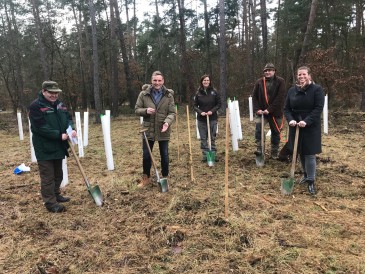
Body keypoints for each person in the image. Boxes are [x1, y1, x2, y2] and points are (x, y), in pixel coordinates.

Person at [29, 81, 77, 213]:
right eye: (51, 93)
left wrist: (71, 129)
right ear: (44, 91)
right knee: (47, 176)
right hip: (44, 146)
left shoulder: (60, 105)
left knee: (58, 173)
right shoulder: (35, 106)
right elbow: (40, 127)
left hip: (59, 145)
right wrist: (58, 135)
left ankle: (56, 194)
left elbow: (68, 118)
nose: (54, 95)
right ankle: (50, 202)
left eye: (56, 93)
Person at [284, 66, 324, 195]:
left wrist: (307, 121)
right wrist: (290, 119)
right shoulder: (292, 90)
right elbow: (287, 108)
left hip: (310, 125)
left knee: (310, 153)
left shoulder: (317, 90)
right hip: (295, 125)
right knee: (300, 151)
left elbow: (318, 108)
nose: (301, 77)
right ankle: (306, 175)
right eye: (299, 75)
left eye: (304, 74)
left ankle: (311, 180)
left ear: (309, 75)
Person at [135, 71, 176, 187]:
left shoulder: (169, 96)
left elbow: (172, 113)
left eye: (159, 80)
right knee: (146, 155)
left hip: (163, 128)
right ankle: (146, 178)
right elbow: (137, 109)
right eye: (155, 80)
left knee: (165, 154)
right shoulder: (143, 94)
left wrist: (167, 123)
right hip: (148, 129)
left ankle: (165, 177)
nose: (157, 83)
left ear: (163, 81)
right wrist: (145, 111)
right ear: (151, 81)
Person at [252, 63, 286, 159]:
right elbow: (254, 97)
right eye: (265, 71)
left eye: (269, 70)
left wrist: (269, 109)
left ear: (274, 71)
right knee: (259, 129)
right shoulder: (259, 82)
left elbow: (280, 97)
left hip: (276, 112)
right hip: (261, 113)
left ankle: (274, 153)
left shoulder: (280, 81)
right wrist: (257, 109)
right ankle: (260, 150)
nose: (267, 72)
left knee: (276, 132)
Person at [193, 74, 222, 162]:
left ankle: (213, 154)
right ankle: (205, 155)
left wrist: (212, 111)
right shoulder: (198, 93)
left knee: (212, 137)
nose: (206, 82)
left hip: (212, 118)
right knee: (203, 138)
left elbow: (219, 104)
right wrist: (200, 112)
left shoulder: (214, 92)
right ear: (202, 82)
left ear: (210, 82)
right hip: (201, 119)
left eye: (207, 80)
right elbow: (194, 106)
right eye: (204, 80)